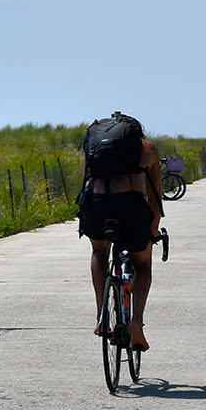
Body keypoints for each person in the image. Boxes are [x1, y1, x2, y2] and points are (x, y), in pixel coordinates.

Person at [77, 112, 164, 351]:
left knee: (98, 253)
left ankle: (101, 315)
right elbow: (155, 196)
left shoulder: (96, 148)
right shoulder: (147, 149)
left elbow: (85, 180)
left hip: (96, 205)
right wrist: (153, 228)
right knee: (143, 263)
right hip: (130, 206)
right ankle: (136, 323)